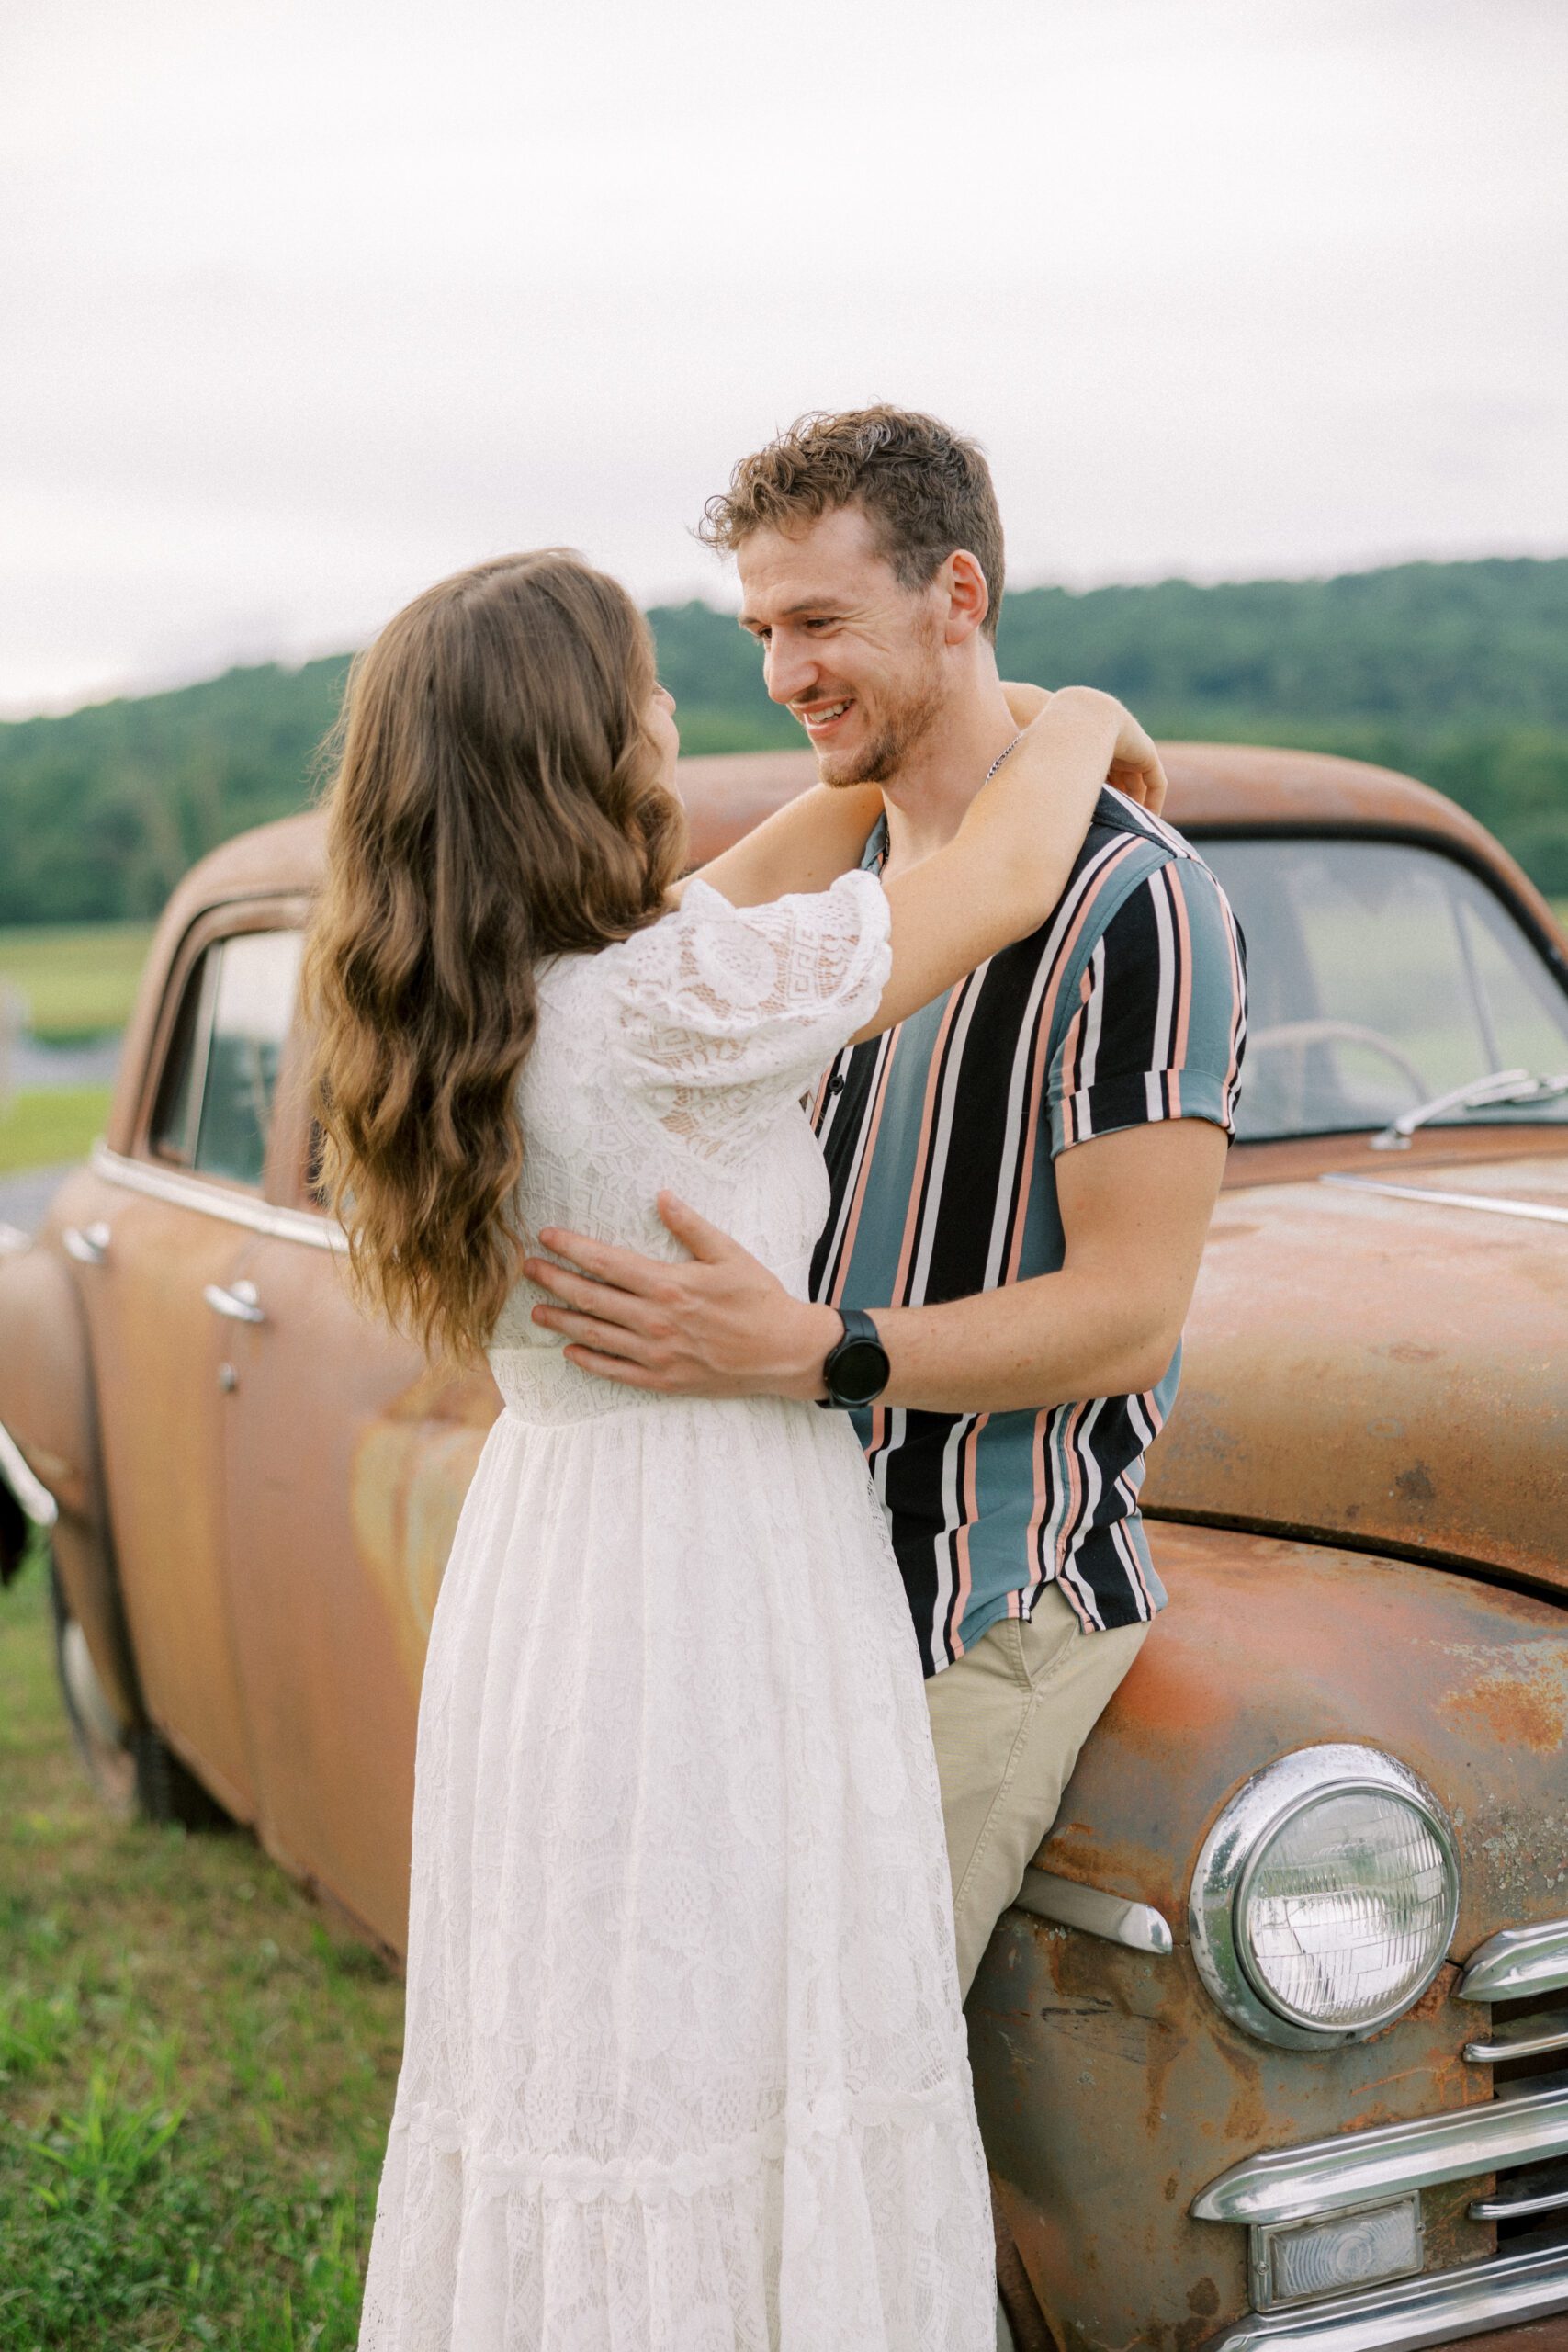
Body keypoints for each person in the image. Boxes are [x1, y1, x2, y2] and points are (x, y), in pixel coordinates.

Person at [305, 547, 1169, 2349]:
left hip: (552, 1556)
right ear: (573, 743)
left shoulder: (501, 984)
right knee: (740, 2027)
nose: (677, 706)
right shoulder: (664, 1002)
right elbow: (1008, 875)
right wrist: (1078, 713)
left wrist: (850, 778)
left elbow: (731, 890)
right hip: (706, 1558)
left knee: (594, 2036)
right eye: (639, 685)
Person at [521, 409, 1248, 2021]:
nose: (783, 673)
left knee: (852, 2077)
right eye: (761, 629)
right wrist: (1073, 714)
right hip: (788, 1587)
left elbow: (1131, 1312)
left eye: (821, 622)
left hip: (976, 1610)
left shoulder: (1136, 902)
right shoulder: (828, 891)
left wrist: (818, 1351)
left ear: (957, 597)